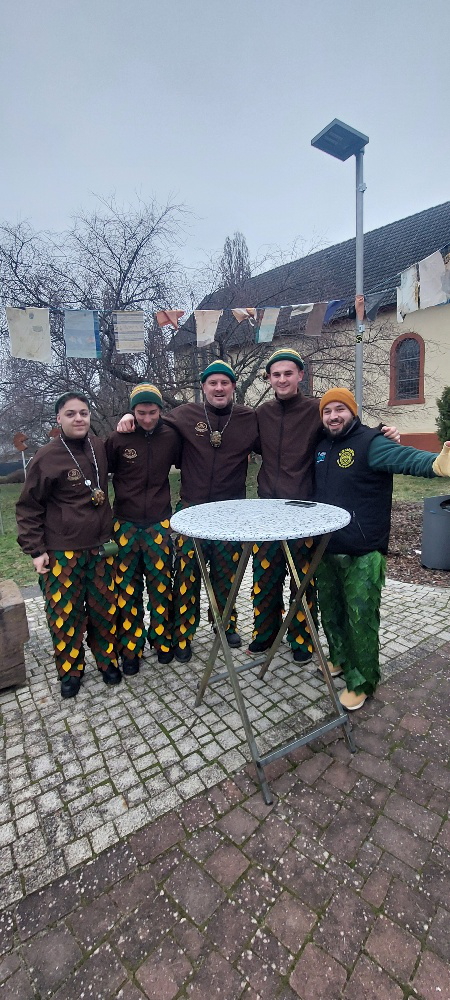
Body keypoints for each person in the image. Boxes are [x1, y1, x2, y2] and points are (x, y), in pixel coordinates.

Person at [314, 387, 450, 710]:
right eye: (327, 411)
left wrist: (437, 463)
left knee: (360, 618)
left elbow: (405, 458)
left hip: (363, 550)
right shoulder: (321, 446)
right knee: (331, 611)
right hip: (326, 547)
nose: (334, 416)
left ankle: (362, 681)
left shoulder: (371, 443)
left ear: (353, 412)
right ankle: (339, 658)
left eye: (340, 409)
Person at [117, 361, 258, 662]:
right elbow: (150, 419)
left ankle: (225, 624)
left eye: (224, 382)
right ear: (203, 387)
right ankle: (183, 633)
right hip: (191, 511)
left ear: (233, 386)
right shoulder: (183, 415)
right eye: (212, 383)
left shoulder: (249, 418)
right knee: (186, 577)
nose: (218, 388)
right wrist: (129, 416)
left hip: (230, 513)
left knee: (227, 576)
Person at [16, 391, 121, 699]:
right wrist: (36, 550)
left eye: (83, 413)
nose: (79, 419)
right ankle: (70, 671)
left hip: (100, 548)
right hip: (63, 552)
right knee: (65, 614)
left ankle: (107, 661)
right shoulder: (47, 456)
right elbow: (28, 507)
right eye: (71, 414)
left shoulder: (98, 447)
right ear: (59, 418)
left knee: (104, 610)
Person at [105, 383, 181, 672]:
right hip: (125, 524)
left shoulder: (171, 436)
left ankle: (162, 641)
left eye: (152, 412)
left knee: (161, 586)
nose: (147, 419)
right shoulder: (119, 438)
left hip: (159, 523)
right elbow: (100, 470)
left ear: (160, 410)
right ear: (132, 412)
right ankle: (131, 649)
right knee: (127, 589)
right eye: (140, 413)